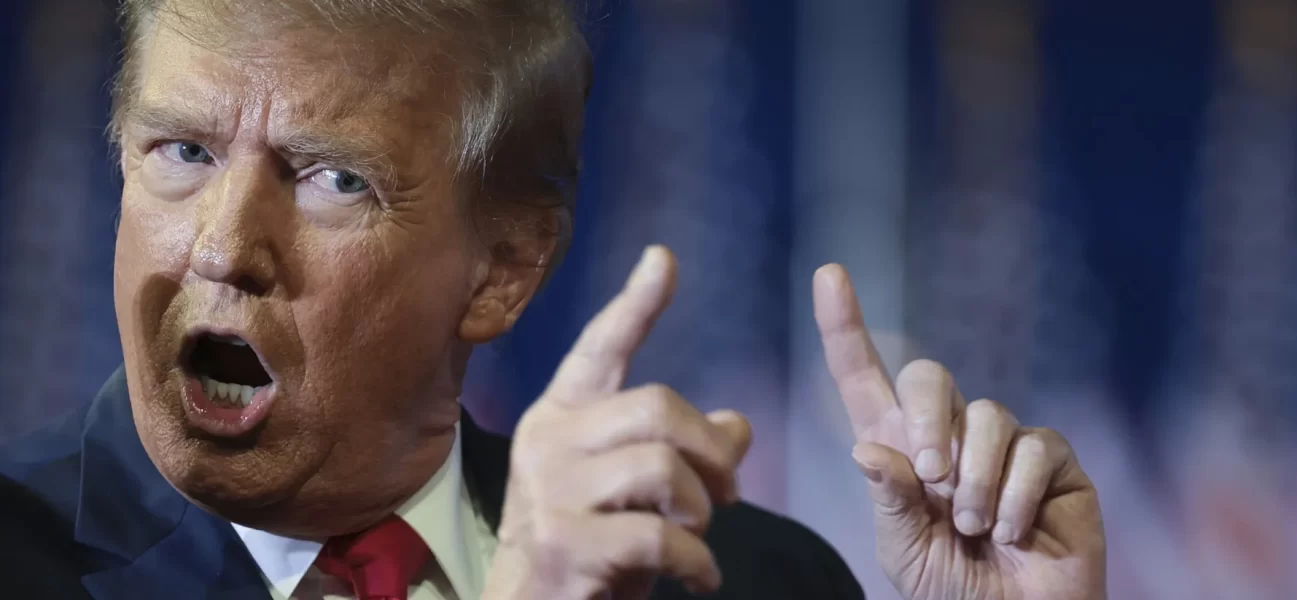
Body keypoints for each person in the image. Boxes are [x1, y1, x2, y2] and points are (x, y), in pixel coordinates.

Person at [0, 0, 1106, 598]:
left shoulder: (739, 582)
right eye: (182, 152)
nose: (223, 247)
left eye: (334, 178)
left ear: (503, 270)